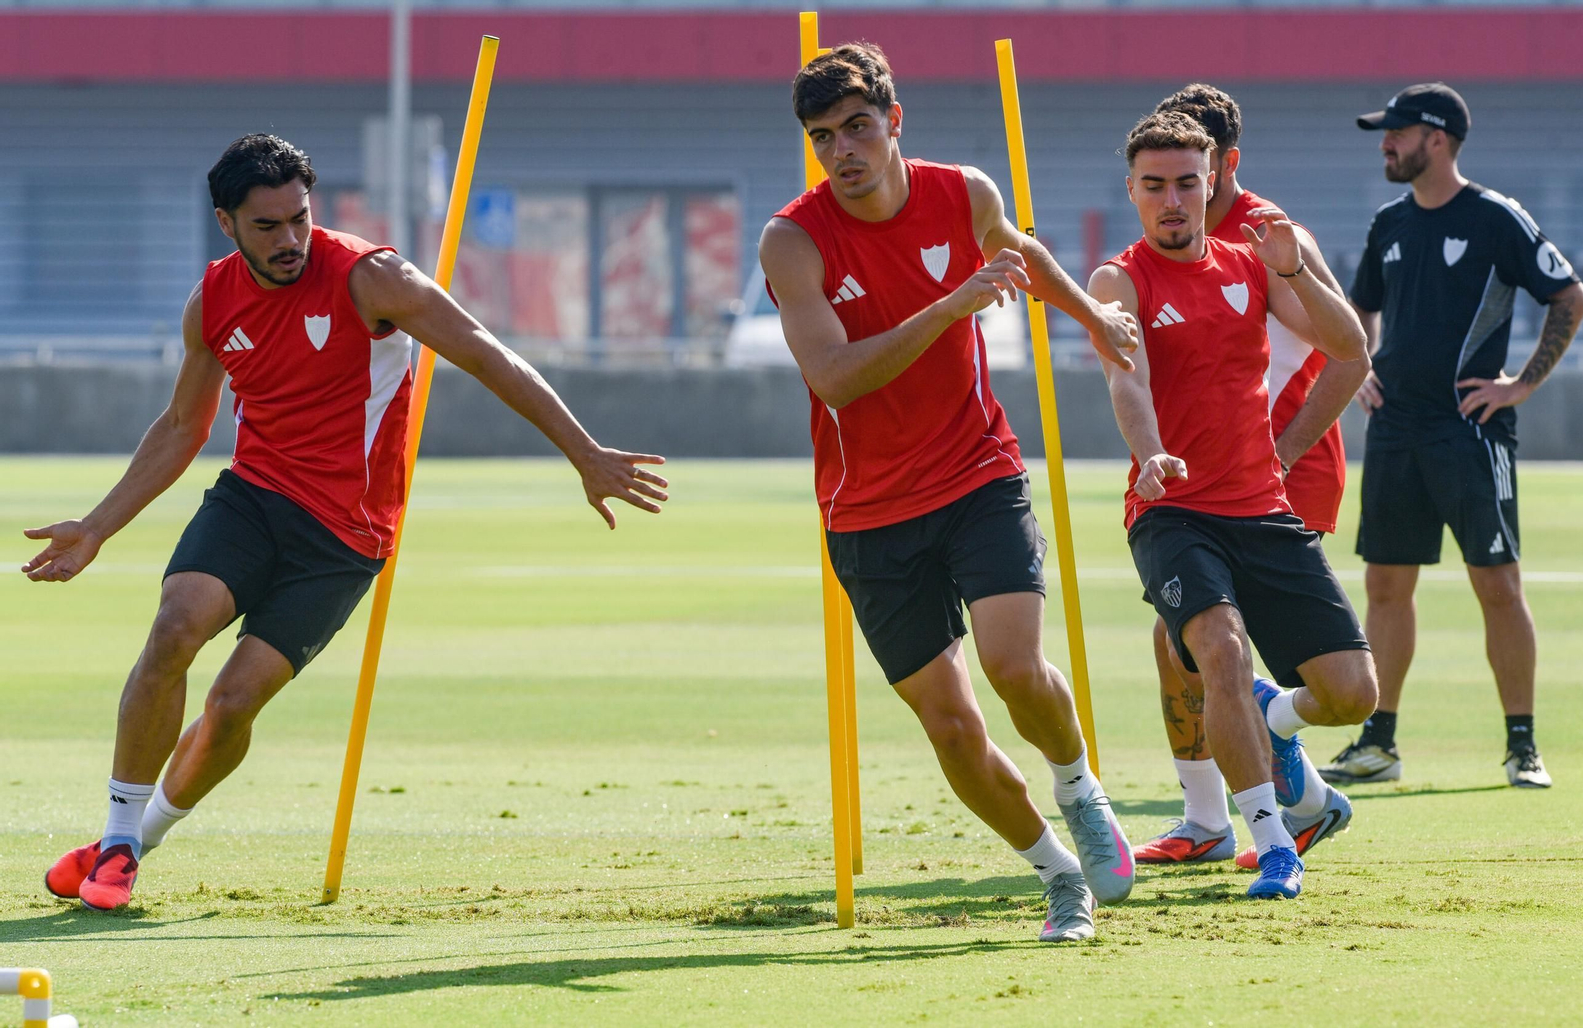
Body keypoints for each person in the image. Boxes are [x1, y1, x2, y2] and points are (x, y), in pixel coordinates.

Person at [25, 134, 670, 911]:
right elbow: (180, 429)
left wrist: (584, 453)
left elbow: (488, 354)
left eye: (299, 218)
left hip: (346, 535)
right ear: (226, 224)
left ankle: (136, 843)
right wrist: (97, 527)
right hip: (254, 497)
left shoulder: (375, 279)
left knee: (232, 704)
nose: (290, 239)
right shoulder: (213, 299)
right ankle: (119, 837)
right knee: (174, 627)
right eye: (267, 226)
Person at [759, 44, 1141, 942]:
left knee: (1014, 668)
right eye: (823, 137)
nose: (842, 149)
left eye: (857, 127)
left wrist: (1096, 320)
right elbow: (836, 379)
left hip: (977, 472)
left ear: (895, 121)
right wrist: (950, 305)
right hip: (867, 512)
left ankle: (1079, 786)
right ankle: (1057, 876)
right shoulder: (792, 238)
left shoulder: (963, 191)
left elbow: (1020, 256)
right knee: (952, 726)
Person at [1088, 110, 1376, 900]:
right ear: (1134, 192)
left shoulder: (1252, 264)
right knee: (1217, 647)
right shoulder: (1120, 279)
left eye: (1187, 182)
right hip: (1172, 510)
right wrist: (1150, 455)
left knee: (1354, 693)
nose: (1172, 200)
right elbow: (1127, 379)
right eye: (1155, 186)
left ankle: (1272, 725)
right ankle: (1273, 841)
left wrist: (1295, 272)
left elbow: (1350, 348)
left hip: (1262, 506)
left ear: (1213, 180)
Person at [1326, 83, 1583, 789]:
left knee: (1497, 584)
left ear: (1435, 139)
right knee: (1385, 583)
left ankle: (1522, 745)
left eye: (1397, 133)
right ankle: (1378, 743)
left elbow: (1569, 297)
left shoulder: (1496, 217)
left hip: (1471, 431)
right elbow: (1358, 312)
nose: (1385, 143)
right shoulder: (1389, 223)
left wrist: (1520, 386)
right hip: (1396, 430)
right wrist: (1361, 373)